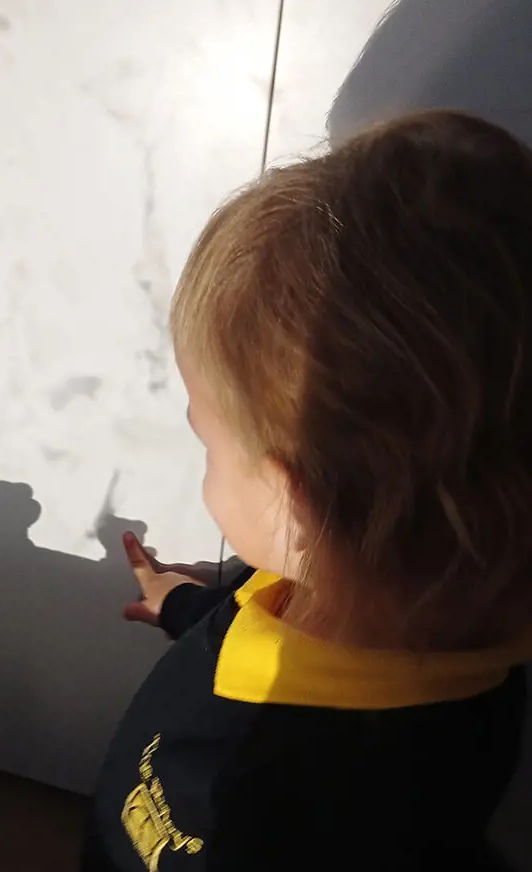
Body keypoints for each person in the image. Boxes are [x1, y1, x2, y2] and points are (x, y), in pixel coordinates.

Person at [84, 111, 532, 870]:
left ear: (298, 505)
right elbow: (245, 619)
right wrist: (182, 605)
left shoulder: (312, 807)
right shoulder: (432, 625)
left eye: (207, 441)